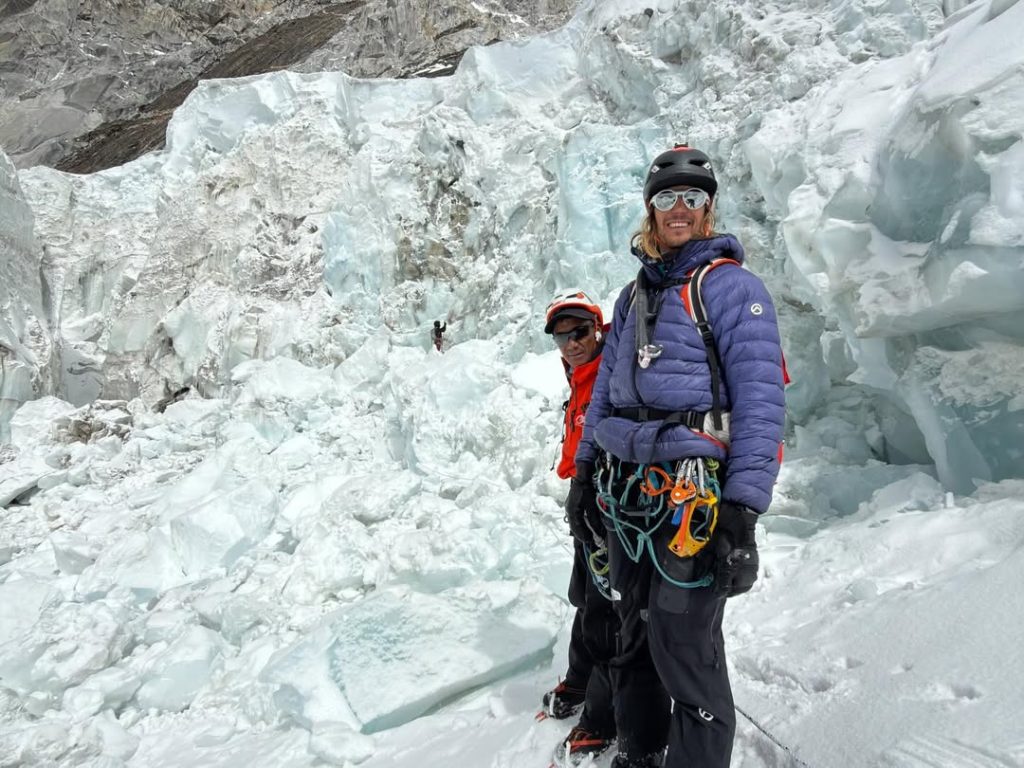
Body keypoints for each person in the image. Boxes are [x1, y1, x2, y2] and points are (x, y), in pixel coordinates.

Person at [570, 145, 786, 768]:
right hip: (625, 491)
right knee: (632, 630)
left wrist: (742, 513)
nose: (680, 209)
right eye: (667, 198)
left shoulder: (731, 288)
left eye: (693, 197)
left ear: (709, 209)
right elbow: (604, 399)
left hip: (692, 495)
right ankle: (640, 751)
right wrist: (583, 477)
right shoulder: (631, 298)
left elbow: (761, 402)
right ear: (650, 210)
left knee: (684, 645)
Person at [540, 290, 618, 764]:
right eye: (561, 336)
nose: (571, 342)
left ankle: (603, 716)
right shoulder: (580, 375)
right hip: (585, 503)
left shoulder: (610, 377)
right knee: (585, 596)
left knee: (608, 609)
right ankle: (581, 677)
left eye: (580, 332)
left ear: (597, 328)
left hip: (610, 510)